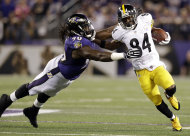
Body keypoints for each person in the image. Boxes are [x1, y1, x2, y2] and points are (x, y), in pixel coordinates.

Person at [0, 13, 140, 128]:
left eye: (87, 24)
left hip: (68, 75)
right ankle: (7, 100)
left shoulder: (85, 35)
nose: (88, 27)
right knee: (33, 87)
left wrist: (127, 27)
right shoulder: (76, 42)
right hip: (57, 72)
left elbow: (108, 35)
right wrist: (123, 55)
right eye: (84, 26)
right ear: (76, 29)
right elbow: (97, 55)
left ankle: (33, 110)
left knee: (49, 91)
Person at [95, 4, 182, 131]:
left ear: (135, 16)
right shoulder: (119, 31)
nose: (128, 21)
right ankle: (174, 119)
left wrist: (161, 34)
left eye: (130, 18)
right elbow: (110, 45)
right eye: (125, 19)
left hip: (154, 63)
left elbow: (151, 29)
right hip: (140, 69)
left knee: (171, 87)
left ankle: (170, 96)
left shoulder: (145, 19)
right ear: (120, 20)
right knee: (156, 101)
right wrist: (93, 39)